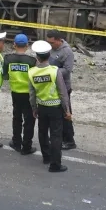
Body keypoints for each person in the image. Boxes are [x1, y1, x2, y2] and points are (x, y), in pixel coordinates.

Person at [29, 40, 72, 173]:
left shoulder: (31, 72)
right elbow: (62, 92)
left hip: (42, 107)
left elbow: (32, 94)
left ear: (37, 57)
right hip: (55, 107)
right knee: (56, 135)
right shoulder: (54, 71)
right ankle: (55, 164)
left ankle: (46, 157)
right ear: (49, 56)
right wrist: (67, 110)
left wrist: (34, 108)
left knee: (42, 132)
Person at [4, 34, 37, 154]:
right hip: (29, 94)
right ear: (27, 46)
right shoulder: (32, 61)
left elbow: (5, 76)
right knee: (29, 120)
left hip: (15, 93)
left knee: (17, 117)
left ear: (14, 45)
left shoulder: (7, 58)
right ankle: (26, 146)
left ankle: (16, 142)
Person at [47, 30, 77, 150]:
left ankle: (69, 140)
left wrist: (52, 72)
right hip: (51, 86)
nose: (50, 45)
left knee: (66, 114)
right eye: (48, 42)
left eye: (52, 42)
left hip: (63, 88)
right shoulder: (50, 49)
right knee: (55, 115)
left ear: (59, 40)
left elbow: (67, 70)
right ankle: (59, 136)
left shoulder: (67, 52)